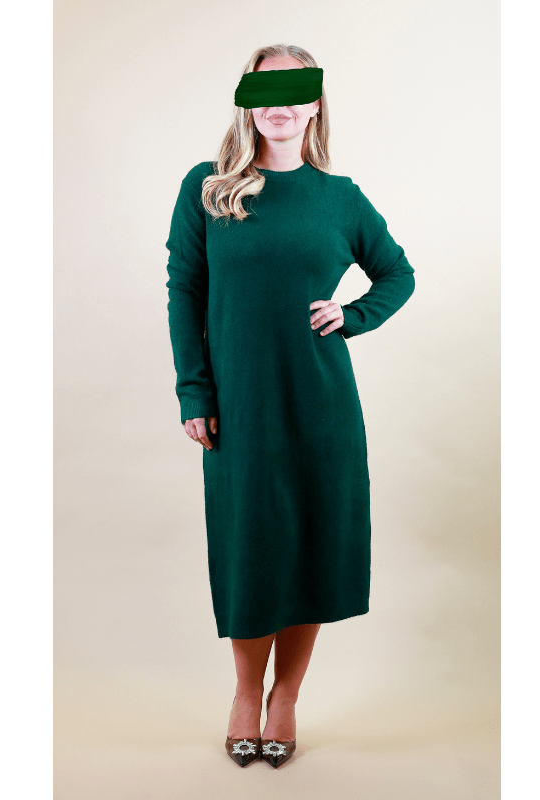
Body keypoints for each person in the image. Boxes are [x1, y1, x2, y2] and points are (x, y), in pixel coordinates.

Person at [165, 44, 416, 768]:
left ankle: (286, 697)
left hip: (320, 405)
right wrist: (194, 390)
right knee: (252, 546)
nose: (279, 101)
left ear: (314, 105)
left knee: (312, 545)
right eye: (264, 88)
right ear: (246, 102)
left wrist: (352, 315)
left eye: (295, 89)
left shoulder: (340, 198)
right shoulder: (208, 187)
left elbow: (396, 275)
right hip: (240, 405)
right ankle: (246, 691)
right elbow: (185, 291)